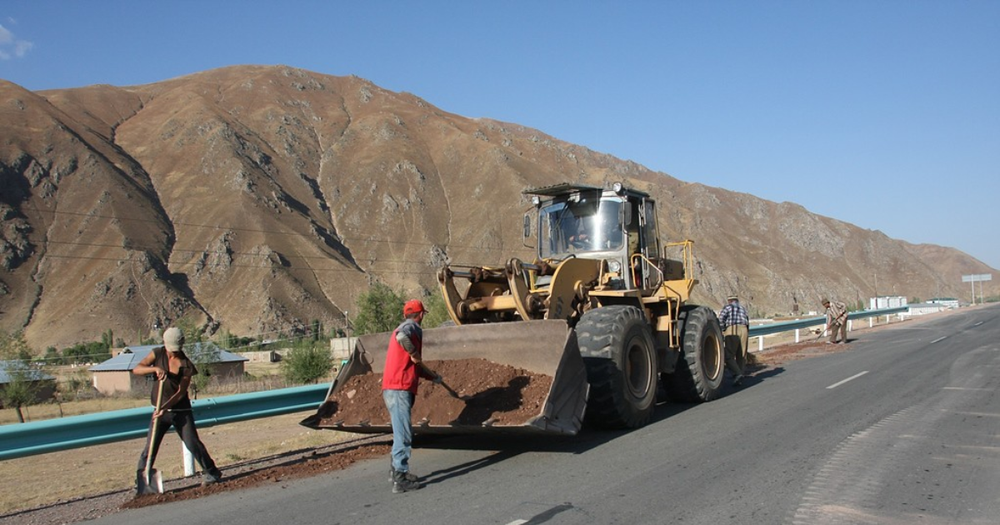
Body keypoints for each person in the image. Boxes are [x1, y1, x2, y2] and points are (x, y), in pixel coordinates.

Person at [134, 327, 222, 494]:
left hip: (180, 411)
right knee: (150, 448)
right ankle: (142, 480)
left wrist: (165, 407)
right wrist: (154, 369)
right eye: (170, 350)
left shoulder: (186, 364)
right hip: (159, 412)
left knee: (192, 443)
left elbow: (180, 392)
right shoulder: (157, 354)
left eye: (176, 350)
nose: (172, 354)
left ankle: (212, 472)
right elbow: (137, 369)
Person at [382, 299, 441, 493]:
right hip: (399, 388)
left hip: (396, 386)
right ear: (421, 314)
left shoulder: (410, 328)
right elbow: (401, 336)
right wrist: (414, 351)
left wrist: (432, 376)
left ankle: (397, 472)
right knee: (404, 435)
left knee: (401, 432)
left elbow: (414, 365)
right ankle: (400, 478)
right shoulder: (410, 328)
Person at [718, 295, 749, 386]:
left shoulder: (727, 308)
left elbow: (721, 320)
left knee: (729, 355)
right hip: (744, 329)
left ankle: (737, 373)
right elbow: (747, 320)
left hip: (732, 329)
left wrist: (723, 329)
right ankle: (740, 374)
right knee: (742, 354)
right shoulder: (743, 308)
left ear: (729, 301)